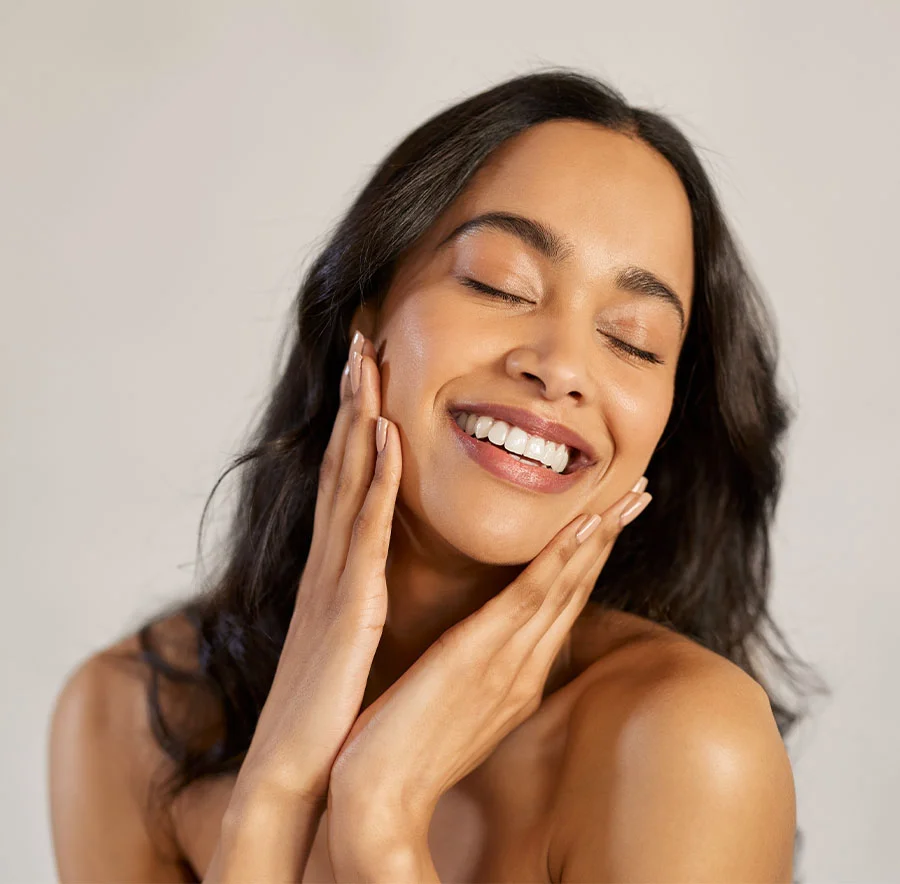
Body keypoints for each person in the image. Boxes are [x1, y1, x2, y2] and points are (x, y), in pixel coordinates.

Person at [48, 68, 822, 882]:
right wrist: (275, 795)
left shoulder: (683, 743)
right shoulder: (130, 714)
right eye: (498, 283)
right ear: (366, 309)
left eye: (633, 340)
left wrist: (381, 818)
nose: (561, 368)